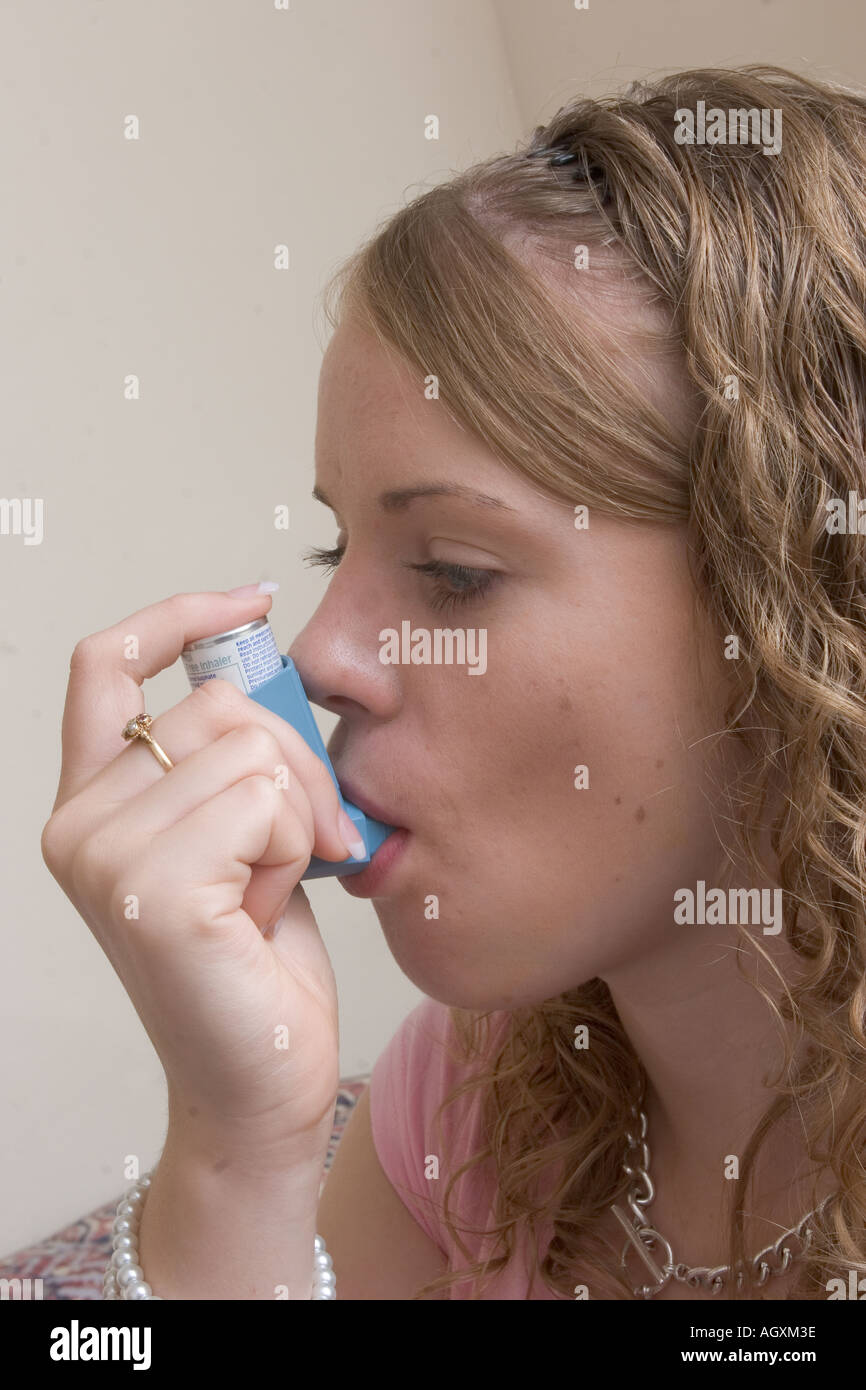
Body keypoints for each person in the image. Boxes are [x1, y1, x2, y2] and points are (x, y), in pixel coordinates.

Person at [41, 63, 866, 1300]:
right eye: (339, 546)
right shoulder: (472, 1101)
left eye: (454, 570)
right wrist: (235, 1156)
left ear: (796, 599)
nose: (319, 656)